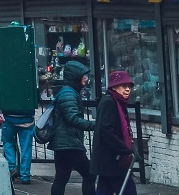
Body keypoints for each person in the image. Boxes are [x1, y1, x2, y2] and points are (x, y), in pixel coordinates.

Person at [51, 61, 96, 195]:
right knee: (90, 174)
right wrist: (94, 125)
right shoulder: (68, 94)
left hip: (63, 143)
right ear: (75, 76)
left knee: (61, 178)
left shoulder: (68, 92)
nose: (86, 78)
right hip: (69, 143)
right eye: (83, 75)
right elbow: (72, 118)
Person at [93, 71, 136, 195]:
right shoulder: (109, 102)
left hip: (110, 162)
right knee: (129, 190)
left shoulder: (118, 102)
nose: (127, 89)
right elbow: (106, 130)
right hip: (112, 160)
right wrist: (124, 149)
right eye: (124, 86)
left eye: (129, 86)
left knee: (104, 189)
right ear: (114, 87)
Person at [2, 104, 36, 184]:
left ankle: (12, 168)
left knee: (8, 143)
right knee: (26, 148)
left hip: (9, 116)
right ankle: (25, 176)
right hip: (27, 118)